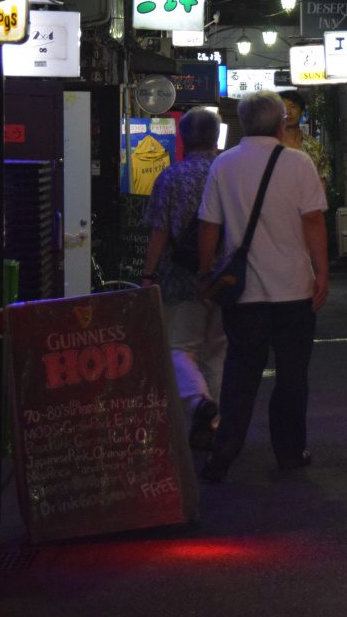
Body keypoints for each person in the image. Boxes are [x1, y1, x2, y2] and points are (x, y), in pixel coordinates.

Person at [195, 90, 329, 482]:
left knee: (240, 374)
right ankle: (289, 451)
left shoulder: (224, 165)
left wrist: (206, 274)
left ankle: (226, 448)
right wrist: (322, 271)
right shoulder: (299, 164)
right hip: (294, 290)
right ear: (279, 123)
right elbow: (314, 222)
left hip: (244, 293)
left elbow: (209, 225)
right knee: (292, 376)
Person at [141, 107, 227, 450]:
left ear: (182, 137)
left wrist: (148, 274)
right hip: (225, 278)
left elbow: (159, 231)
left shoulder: (172, 177)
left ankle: (198, 403)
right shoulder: (229, 173)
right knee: (216, 353)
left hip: (182, 278)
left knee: (179, 348)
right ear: (215, 136)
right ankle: (213, 422)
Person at [278, 88, 331, 187]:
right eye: (283, 108)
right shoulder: (270, 145)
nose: (288, 112)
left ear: (302, 112)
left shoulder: (314, 146)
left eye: (293, 107)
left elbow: (321, 182)